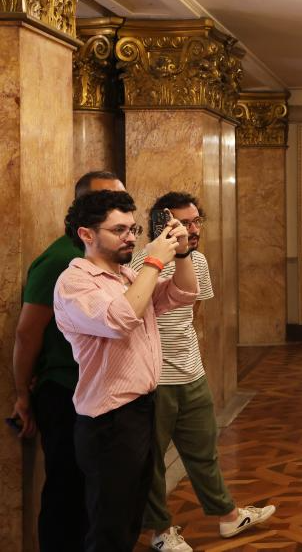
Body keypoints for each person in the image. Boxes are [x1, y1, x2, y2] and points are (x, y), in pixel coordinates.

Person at [53, 190, 198, 552]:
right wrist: (154, 263)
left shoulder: (126, 276)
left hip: (140, 411)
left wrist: (181, 254)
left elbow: (182, 294)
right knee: (109, 529)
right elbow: (121, 319)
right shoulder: (75, 282)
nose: (130, 237)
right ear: (87, 234)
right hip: (109, 421)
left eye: (133, 229)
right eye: (119, 230)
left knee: (130, 520)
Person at [132, 192, 275, 552]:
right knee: (151, 460)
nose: (194, 229)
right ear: (163, 224)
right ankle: (160, 532)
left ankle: (228, 516)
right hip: (155, 378)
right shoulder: (140, 262)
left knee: (203, 450)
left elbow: (191, 310)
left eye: (197, 221)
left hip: (192, 372)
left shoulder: (197, 260)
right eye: (185, 222)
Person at [9, 171, 124, 552]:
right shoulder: (61, 259)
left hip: (100, 392)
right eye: (108, 200)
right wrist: (22, 394)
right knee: (66, 491)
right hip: (64, 392)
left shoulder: (107, 257)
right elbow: (27, 333)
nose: (119, 209)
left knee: (96, 493)